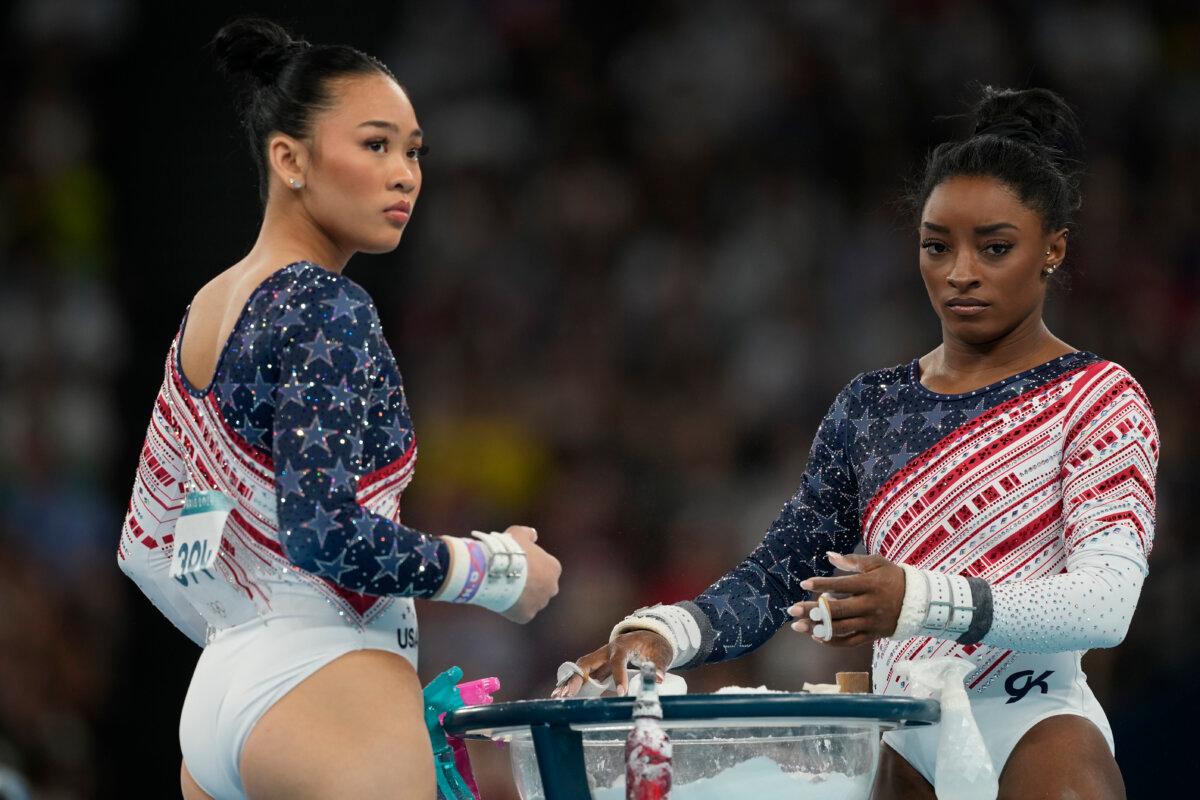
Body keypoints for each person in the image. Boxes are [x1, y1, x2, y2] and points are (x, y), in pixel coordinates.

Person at [554, 86, 1156, 800]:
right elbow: (779, 574)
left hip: (1033, 723)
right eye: (937, 246)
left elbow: (1106, 603)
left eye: (995, 248)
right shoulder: (871, 407)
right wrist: (660, 632)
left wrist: (918, 598)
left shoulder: (1098, 396)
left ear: (1053, 248)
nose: (961, 272)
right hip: (899, 733)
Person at [116, 18, 561, 800]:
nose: (405, 175)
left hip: (219, 699)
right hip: (323, 682)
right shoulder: (325, 306)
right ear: (289, 158)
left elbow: (147, 548)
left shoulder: (208, 308)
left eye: (414, 150)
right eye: (375, 145)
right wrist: (498, 570)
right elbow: (324, 533)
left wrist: (248, 632)